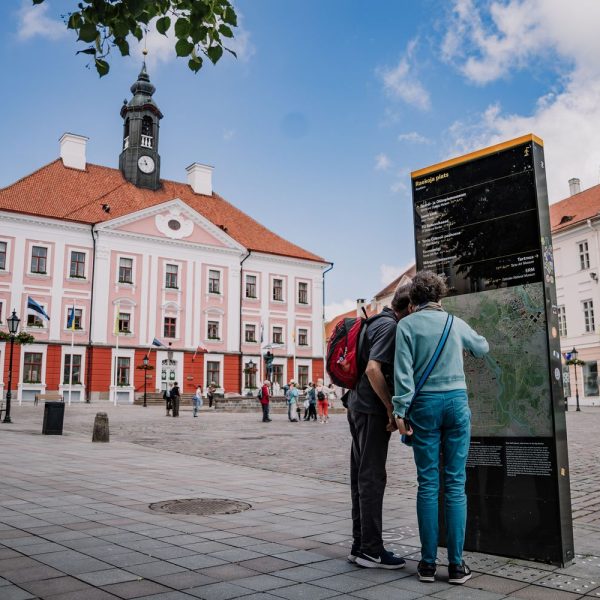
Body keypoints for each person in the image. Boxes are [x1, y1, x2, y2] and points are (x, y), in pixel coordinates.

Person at [393, 271, 489, 585]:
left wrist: (399, 412)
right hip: (457, 403)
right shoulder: (455, 323)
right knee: (456, 483)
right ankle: (458, 566)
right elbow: (482, 348)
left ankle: (428, 564)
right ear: (439, 297)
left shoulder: (405, 326)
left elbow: (403, 376)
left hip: (424, 408)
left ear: (413, 300)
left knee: (428, 484)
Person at [348, 284, 411, 570]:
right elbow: (374, 369)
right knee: (372, 478)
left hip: (356, 404)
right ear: (408, 308)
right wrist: (390, 407)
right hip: (371, 410)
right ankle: (371, 550)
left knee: (361, 476)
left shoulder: (373, 322)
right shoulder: (389, 327)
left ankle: (360, 544)